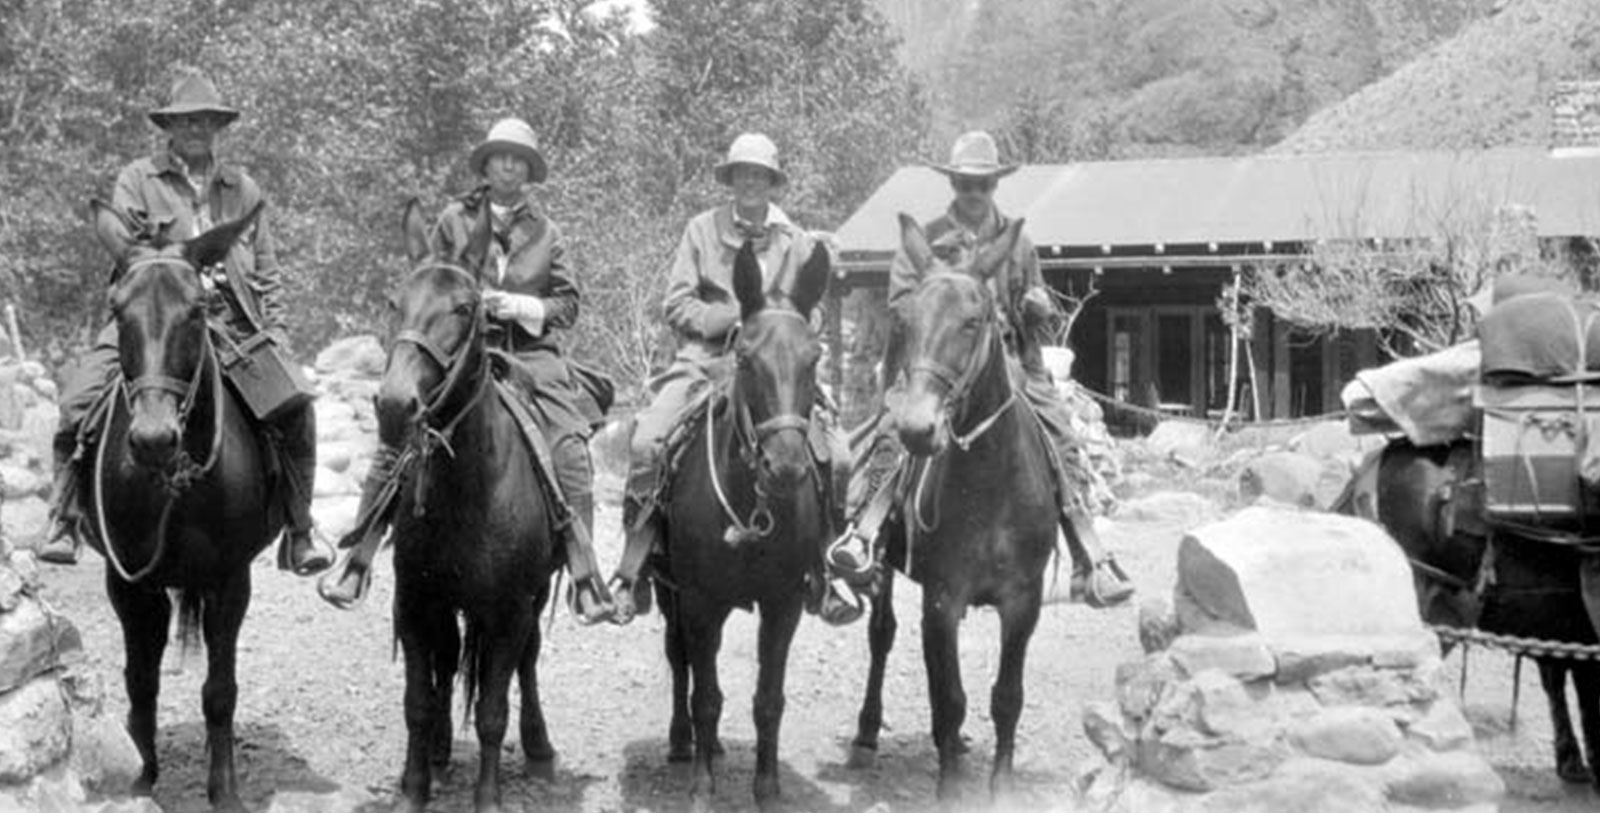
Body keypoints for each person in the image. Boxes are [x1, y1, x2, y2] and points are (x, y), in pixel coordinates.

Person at [319, 118, 615, 623]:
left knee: (568, 443)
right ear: (486, 163)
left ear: (529, 171)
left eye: (519, 160)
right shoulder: (455, 218)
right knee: (402, 423)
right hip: (456, 349)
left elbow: (567, 304)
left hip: (528, 353)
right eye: (501, 156)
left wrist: (518, 306)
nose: (508, 166)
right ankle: (360, 554)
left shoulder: (547, 232)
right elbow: (430, 279)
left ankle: (584, 570)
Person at [38, 72, 333, 576]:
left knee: (296, 407)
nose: (196, 129)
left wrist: (277, 334)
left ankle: (300, 527)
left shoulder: (242, 189)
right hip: (155, 318)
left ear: (218, 128)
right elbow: (129, 254)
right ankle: (64, 515)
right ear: (169, 128)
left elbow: (268, 272)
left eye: (206, 121)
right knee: (76, 401)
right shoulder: (138, 180)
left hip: (231, 324)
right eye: (186, 121)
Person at [827, 130, 1134, 608]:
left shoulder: (1018, 240)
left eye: (983, 184)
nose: (974, 194)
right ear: (953, 185)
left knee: (1058, 432)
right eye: (965, 184)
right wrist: (939, 309)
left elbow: (1036, 299)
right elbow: (902, 304)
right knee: (892, 431)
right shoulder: (924, 239)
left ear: (995, 185)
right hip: (937, 362)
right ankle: (867, 535)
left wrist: (1036, 305)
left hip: (1008, 360)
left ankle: (1087, 553)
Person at [608, 132, 852, 624]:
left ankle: (826, 572)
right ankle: (636, 565)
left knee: (838, 453)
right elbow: (676, 303)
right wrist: (730, 321)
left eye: (759, 175)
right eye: (742, 174)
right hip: (705, 360)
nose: (750, 183)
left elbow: (814, 312)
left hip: (776, 368)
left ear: (772, 182)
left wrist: (791, 327)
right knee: (649, 441)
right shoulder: (701, 230)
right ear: (731, 179)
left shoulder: (796, 240)